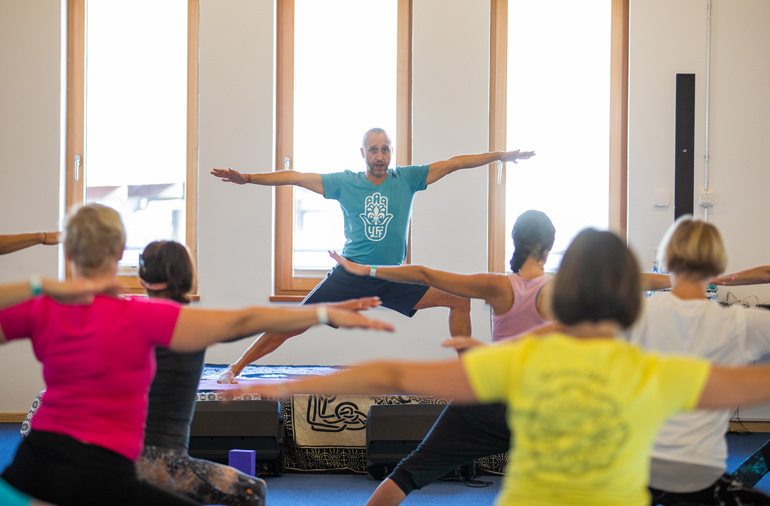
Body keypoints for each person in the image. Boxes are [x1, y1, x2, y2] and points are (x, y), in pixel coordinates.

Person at [232, 227, 770, 506]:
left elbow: (393, 376)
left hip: (488, 404)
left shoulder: (526, 354)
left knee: (409, 473)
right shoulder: (645, 371)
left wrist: (281, 388)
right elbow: (740, 384)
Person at [0, 203, 393, 506]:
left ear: (68, 251)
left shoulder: (43, 307)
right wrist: (321, 310)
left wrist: (37, 286)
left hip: (36, 457)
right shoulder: (144, 315)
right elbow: (240, 320)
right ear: (120, 251)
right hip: (104, 469)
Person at [331, 210, 669, 506]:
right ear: (549, 246)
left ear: (516, 242)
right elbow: (630, 281)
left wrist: (364, 270)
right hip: (534, 405)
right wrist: (689, 281)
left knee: (409, 472)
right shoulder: (557, 289)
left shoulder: (496, 286)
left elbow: (423, 273)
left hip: (483, 397)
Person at [212, 127, 535, 382]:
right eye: (373, 150)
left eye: (385, 149)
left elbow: (455, 163)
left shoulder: (407, 179)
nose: (380, 156)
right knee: (296, 321)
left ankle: (469, 375)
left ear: (390, 152)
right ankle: (236, 367)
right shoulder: (344, 183)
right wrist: (249, 179)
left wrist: (500, 156)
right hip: (352, 273)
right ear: (363, 153)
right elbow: (295, 177)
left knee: (458, 298)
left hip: (392, 276)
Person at [134, 240, 379, 506]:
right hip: (164, 464)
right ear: (188, 278)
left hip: (113, 456)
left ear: (142, 277)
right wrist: (323, 311)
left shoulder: (123, 317)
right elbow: (249, 320)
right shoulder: (194, 324)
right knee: (252, 491)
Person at [625, 217, 770, 506]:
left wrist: (677, 277)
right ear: (717, 266)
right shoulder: (739, 322)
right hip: (700, 474)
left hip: (638, 469)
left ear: (666, 261)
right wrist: (725, 277)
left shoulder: (636, 316)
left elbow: (616, 281)